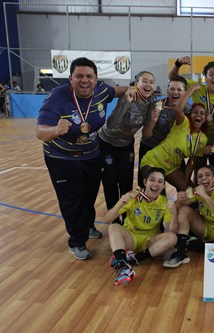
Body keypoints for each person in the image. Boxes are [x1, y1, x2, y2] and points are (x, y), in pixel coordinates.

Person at [36, 57, 126, 260]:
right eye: (79, 76)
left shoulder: (102, 90)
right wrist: (55, 130)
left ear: (96, 79)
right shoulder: (57, 98)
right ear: (71, 78)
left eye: (89, 76)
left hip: (92, 154)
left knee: (89, 194)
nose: (84, 81)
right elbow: (40, 132)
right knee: (72, 199)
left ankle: (87, 225)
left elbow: (117, 91)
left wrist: (134, 89)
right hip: (62, 158)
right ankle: (77, 241)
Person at [104, 167, 178, 286]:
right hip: (131, 237)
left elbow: (171, 231)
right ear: (145, 182)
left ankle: (133, 258)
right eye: (152, 180)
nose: (155, 184)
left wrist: (174, 214)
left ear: (164, 186)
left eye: (160, 181)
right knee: (113, 227)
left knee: (172, 238)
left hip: (150, 240)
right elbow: (107, 219)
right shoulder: (133, 197)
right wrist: (119, 204)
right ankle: (123, 266)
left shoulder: (165, 202)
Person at [99, 71, 155, 224]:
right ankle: (115, 221)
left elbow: (146, 134)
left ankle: (128, 219)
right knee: (110, 183)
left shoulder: (152, 103)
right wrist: (126, 103)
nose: (148, 85)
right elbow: (111, 124)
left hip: (126, 145)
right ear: (136, 84)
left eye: (151, 82)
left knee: (126, 183)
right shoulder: (128, 97)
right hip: (107, 143)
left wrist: (153, 120)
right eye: (145, 81)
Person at [140, 84, 208, 191]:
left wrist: (186, 182)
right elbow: (178, 109)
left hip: (172, 167)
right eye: (195, 112)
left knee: (189, 192)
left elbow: (191, 162)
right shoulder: (183, 123)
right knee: (156, 194)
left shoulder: (203, 139)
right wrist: (191, 89)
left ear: (205, 119)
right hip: (153, 161)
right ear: (190, 115)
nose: (198, 115)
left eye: (202, 113)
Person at [165, 166, 214, 267]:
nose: (204, 178)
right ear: (197, 181)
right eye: (200, 176)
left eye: (207, 175)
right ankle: (181, 253)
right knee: (184, 211)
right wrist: (179, 199)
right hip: (206, 229)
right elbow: (179, 208)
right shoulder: (196, 192)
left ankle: (197, 245)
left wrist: (205, 196)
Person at [138, 75, 190, 188]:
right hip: (151, 150)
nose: (175, 92)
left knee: (187, 189)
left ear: (185, 92)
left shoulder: (189, 110)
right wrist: (152, 121)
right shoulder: (155, 106)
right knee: (153, 190)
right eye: (172, 89)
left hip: (173, 153)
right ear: (167, 90)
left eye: (179, 89)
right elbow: (146, 136)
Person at [169, 57, 214, 139]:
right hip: (196, 133)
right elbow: (173, 78)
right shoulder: (197, 87)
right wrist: (178, 63)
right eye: (211, 74)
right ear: (206, 78)